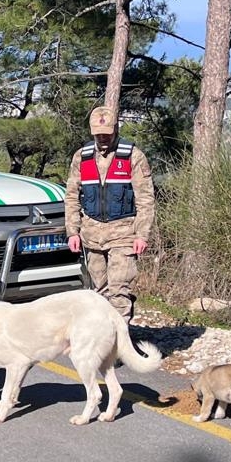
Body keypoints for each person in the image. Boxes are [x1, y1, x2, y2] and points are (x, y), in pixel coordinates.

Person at [64, 106, 155, 324]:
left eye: (107, 133)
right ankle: (104, 341)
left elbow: (145, 198)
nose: (103, 138)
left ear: (115, 129)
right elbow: (72, 197)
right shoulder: (82, 157)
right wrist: (72, 232)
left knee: (118, 291)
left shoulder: (133, 156)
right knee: (100, 293)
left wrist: (142, 235)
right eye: (98, 134)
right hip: (92, 235)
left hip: (123, 232)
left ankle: (120, 346)